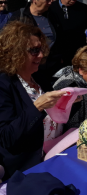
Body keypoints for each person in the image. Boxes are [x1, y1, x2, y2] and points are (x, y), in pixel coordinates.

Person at [0, 22, 67, 179]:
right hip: (27, 170)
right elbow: (7, 138)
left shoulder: (40, 79)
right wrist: (37, 106)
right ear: (15, 52)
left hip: (56, 157)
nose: (41, 55)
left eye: (41, 49)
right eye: (34, 51)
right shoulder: (4, 85)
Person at [9, 0, 58, 91]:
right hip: (29, 71)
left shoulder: (52, 15)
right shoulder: (19, 17)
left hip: (51, 69)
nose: (50, 2)